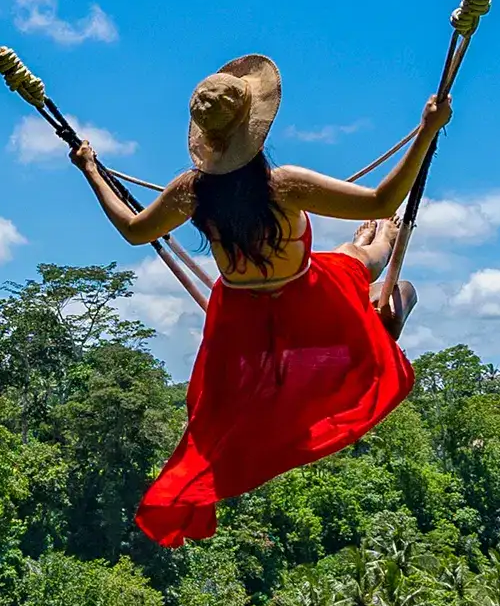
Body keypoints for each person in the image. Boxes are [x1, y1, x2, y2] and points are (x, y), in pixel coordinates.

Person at [69, 54, 450, 546]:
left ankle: (378, 250)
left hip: (242, 317)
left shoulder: (192, 192)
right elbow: (380, 198)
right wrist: (427, 129)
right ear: (256, 129)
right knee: (391, 280)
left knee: (357, 256)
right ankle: (383, 274)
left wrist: (90, 171)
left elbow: (134, 230)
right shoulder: (283, 184)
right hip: (309, 300)